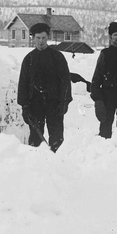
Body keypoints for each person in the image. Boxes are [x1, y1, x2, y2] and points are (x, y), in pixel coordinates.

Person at [17, 22, 72, 151]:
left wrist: (64, 102)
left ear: (48, 38)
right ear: (33, 38)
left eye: (43, 38)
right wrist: (25, 106)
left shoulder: (57, 57)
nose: (41, 41)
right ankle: (36, 164)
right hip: (35, 104)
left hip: (54, 104)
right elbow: (23, 84)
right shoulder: (29, 59)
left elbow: (65, 81)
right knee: (36, 138)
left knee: (57, 137)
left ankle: (56, 162)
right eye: (38, 38)